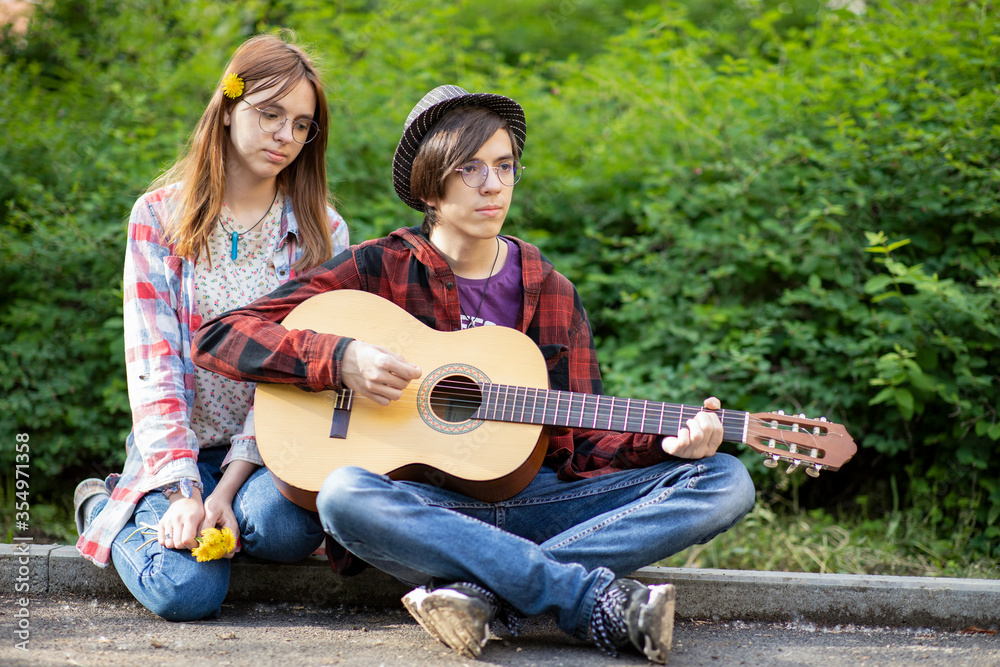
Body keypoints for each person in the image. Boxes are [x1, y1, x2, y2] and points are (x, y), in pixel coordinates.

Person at [191, 84, 754, 661]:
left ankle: (483, 591)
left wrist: (668, 444)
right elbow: (221, 335)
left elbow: (586, 438)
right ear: (430, 186)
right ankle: (587, 599)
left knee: (726, 481)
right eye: (471, 169)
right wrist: (341, 359)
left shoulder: (551, 291)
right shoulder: (377, 267)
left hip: (538, 501)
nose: (494, 186)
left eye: (505, 166)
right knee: (342, 495)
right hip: (423, 509)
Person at [73, 33, 350, 621]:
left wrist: (224, 490)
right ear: (227, 108)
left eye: (302, 125)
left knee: (284, 530)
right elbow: (154, 365)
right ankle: (105, 507)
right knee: (186, 594)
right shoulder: (158, 218)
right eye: (270, 114)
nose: (285, 136)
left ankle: (222, 516)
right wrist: (184, 490)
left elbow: (296, 373)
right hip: (175, 446)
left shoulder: (322, 231)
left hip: (268, 452)